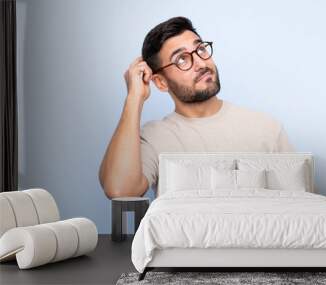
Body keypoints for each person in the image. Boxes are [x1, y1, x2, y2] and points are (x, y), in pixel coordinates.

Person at [99, 16, 295, 199]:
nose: (201, 63)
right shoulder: (154, 137)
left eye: (200, 49)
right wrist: (134, 98)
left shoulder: (266, 128)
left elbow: (302, 210)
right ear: (160, 82)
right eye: (181, 59)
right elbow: (120, 191)